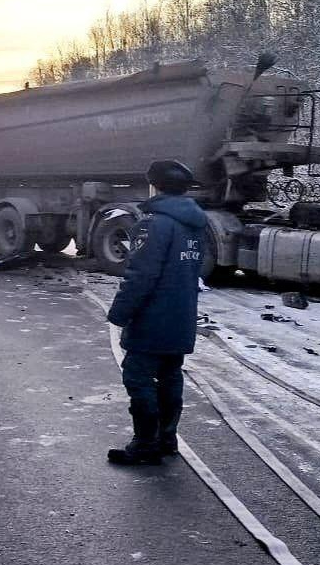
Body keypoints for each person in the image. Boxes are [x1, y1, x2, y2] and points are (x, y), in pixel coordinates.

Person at [105, 160, 206, 466]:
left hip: (152, 317)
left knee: (138, 376)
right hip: (181, 315)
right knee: (170, 375)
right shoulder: (195, 223)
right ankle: (166, 439)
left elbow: (141, 275)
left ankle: (145, 442)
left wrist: (119, 313)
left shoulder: (153, 224)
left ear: (155, 186)